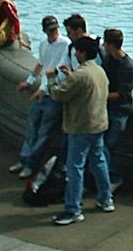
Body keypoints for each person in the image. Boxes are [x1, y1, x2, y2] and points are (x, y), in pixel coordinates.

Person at [46, 35, 115, 225]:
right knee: (99, 161)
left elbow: (59, 95)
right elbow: (85, 87)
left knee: (75, 167)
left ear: (83, 53)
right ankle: (105, 199)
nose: (75, 54)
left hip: (80, 127)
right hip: (98, 125)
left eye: (77, 51)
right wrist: (71, 75)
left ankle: (73, 209)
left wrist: (51, 78)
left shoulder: (80, 75)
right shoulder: (99, 71)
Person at [9, 15, 70, 180]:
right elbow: (41, 65)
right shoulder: (44, 44)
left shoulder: (65, 45)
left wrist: (42, 89)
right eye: (50, 30)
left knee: (45, 132)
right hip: (42, 92)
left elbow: (58, 70)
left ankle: (30, 164)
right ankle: (24, 160)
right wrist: (29, 82)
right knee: (31, 129)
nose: (53, 33)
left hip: (53, 94)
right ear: (44, 31)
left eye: (55, 29)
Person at [101, 28, 133, 190]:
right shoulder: (109, 59)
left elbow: (123, 93)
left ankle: (113, 178)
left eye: (105, 42)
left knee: (106, 145)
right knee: (102, 145)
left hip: (119, 110)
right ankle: (105, 178)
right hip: (107, 108)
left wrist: (99, 96)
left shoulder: (127, 66)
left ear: (110, 45)